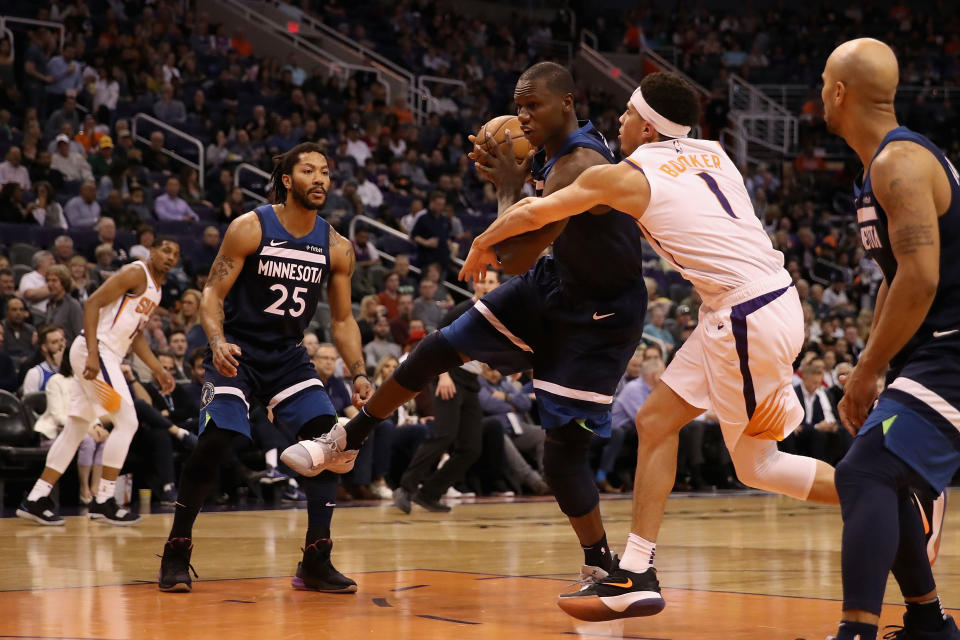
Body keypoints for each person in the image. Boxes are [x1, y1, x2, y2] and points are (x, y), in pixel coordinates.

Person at [456, 71, 897, 621]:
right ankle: (637, 572)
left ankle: (891, 495)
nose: (617, 122)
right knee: (657, 422)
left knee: (758, 465)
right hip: (753, 305)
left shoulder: (628, 177)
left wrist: (480, 243)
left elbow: (533, 213)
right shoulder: (715, 152)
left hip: (744, 314)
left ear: (646, 125)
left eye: (626, 115)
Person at [283, 63, 648, 598]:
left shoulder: (580, 163)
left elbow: (515, 256)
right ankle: (347, 439)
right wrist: (516, 180)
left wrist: (507, 186)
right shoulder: (550, 149)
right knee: (436, 348)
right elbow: (527, 254)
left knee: (562, 453)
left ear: (567, 103)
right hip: (555, 284)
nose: (522, 116)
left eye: (533, 106)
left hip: (600, 318)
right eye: (518, 105)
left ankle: (603, 567)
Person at [157, 142, 372, 594]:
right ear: (288, 180)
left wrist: (358, 372)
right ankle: (177, 546)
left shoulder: (337, 246)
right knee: (216, 440)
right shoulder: (250, 227)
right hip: (237, 348)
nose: (320, 179)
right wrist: (215, 342)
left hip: (288, 354)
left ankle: (317, 557)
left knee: (328, 441)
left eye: (326, 172)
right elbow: (212, 296)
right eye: (309, 171)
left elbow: (342, 319)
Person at [821, 39, 960, 640]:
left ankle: (858, 632)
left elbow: (923, 277)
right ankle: (929, 624)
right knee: (884, 471)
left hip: (954, 346)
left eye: (824, 82)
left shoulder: (897, 164)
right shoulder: (878, 164)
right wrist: (871, 362)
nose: (821, 93)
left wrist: (868, 367)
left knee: (865, 474)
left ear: (840, 92)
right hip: (934, 347)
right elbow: (897, 276)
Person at [16, 238, 180, 526]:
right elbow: (92, 303)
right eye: (165, 250)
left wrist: (157, 369)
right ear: (152, 252)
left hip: (106, 354)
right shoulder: (135, 272)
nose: (170, 257)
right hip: (97, 350)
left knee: (76, 427)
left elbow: (136, 335)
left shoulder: (157, 290)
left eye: (175, 254)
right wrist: (92, 352)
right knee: (127, 420)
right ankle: (103, 499)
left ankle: (36, 498)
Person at [392, 270, 499, 514]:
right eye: (482, 281)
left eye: (491, 282)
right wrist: (443, 375)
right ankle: (405, 488)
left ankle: (429, 493)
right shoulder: (463, 310)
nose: (486, 285)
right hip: (450, 375)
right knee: (443, 434)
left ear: (498, 286)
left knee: (471, 448)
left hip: (471, 380)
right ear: (475, 285)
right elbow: (435, 342)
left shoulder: (496, 314)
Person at [21, 324, 66, 395]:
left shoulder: (73, 370)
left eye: (62, 340)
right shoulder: (35, 374)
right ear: (44, 347)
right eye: (55, 342)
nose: (61, 345)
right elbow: (30, 405)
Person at [43, 264, 83, 342]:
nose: (50, 284)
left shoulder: (73, 305)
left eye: (54, 280)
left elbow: (79, 335)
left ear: (64, 282)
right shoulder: (49, 305)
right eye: (48, 280)